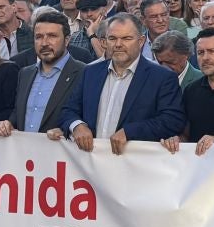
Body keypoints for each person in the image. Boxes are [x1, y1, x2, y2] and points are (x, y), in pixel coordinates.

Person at [49, 12, 187, 155]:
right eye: (112, 38)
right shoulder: (90, 72)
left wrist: (130, 131)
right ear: (104, 42)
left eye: (126, 38)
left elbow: (172, 120)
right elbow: (68, 110)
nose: (119, 44)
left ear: (141, 42)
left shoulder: (162, 77)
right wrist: (77, 126)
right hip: (89, 164)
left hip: (134, 164)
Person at [0, 8, 84, 136]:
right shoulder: (25, 73)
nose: (44, 43)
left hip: (60, 153)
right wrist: (7, 124)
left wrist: (67, 131)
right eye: (39, 37)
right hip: (24, 153)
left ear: (67, 40)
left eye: (52, 36)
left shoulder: (83, 73)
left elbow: (87, 118)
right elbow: (18, 113)